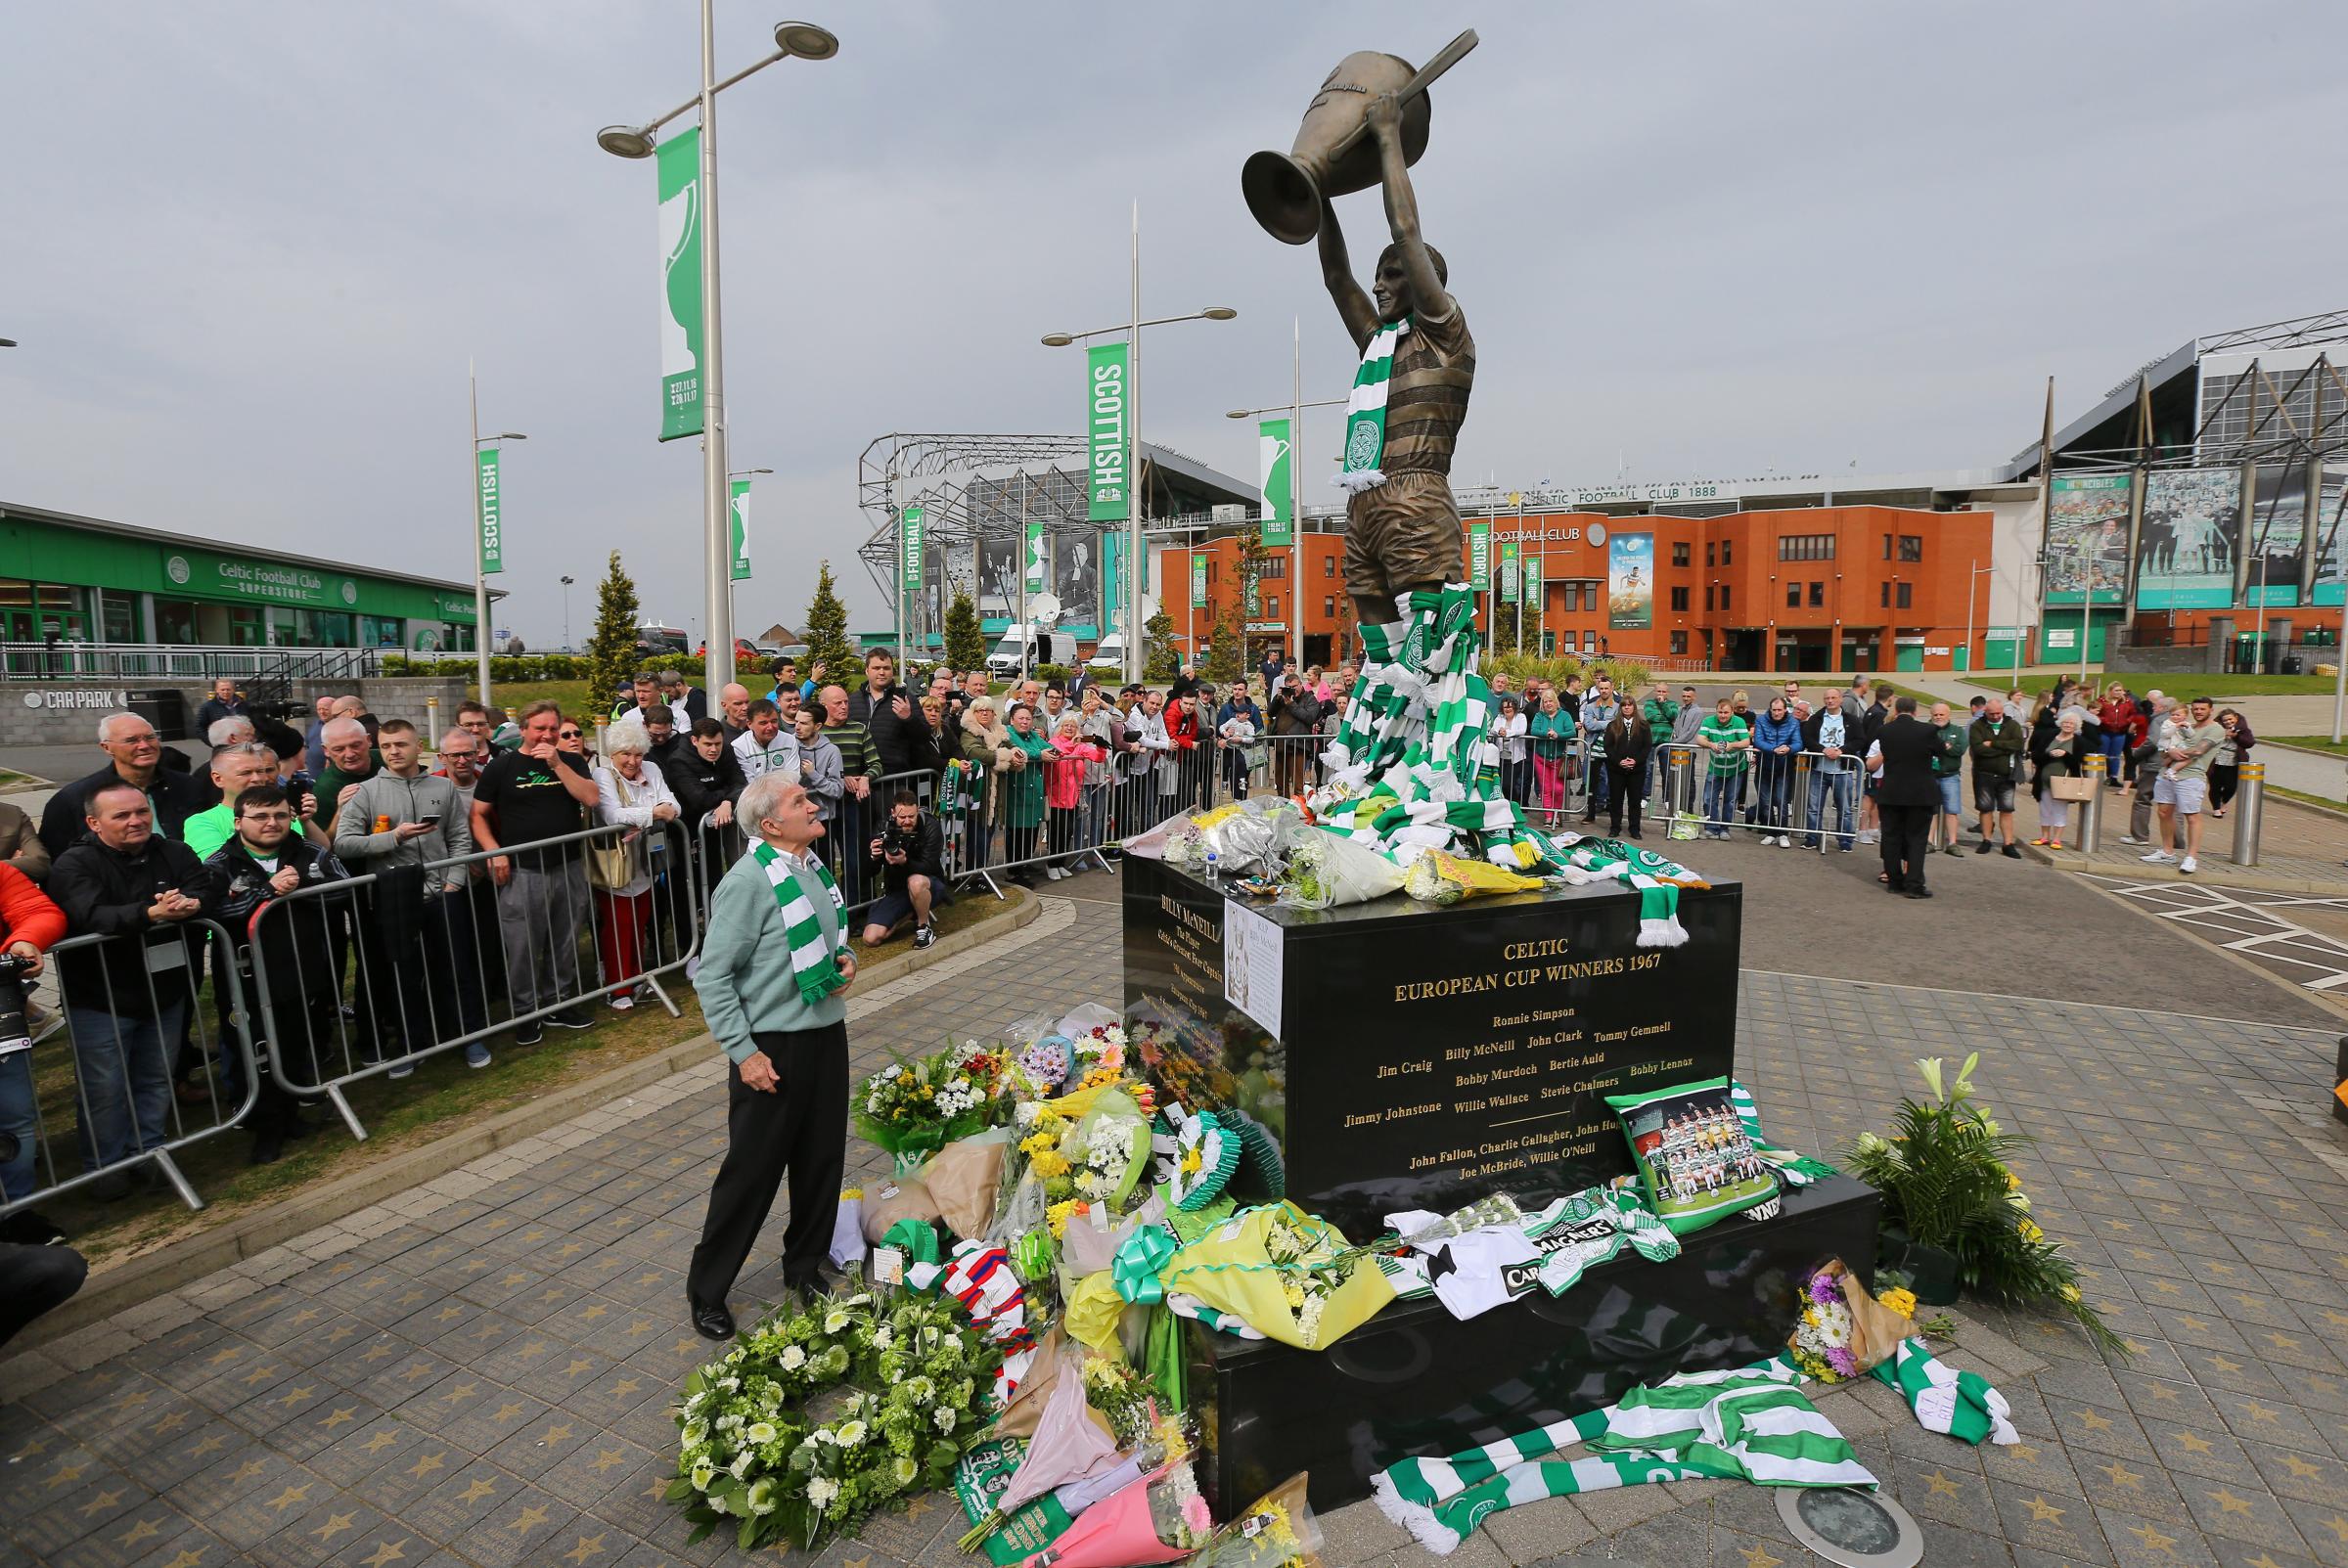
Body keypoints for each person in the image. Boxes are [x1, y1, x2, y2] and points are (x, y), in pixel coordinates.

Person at [687, 775, 856, 1335]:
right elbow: (711, 976)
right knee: (752, 1173)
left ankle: (803, 1267)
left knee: (821, 1161)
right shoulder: (748, 882)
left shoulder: (810, 867)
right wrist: (743, 1053)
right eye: (800, 802)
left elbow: (832, 938)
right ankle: (708, 1290)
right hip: (771, 1049)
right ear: (769, 825)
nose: (813, 806)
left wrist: (845, 960)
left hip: (825, 1036)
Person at [1313, 88, 1474, 635]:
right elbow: (1337, 275)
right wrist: (1317, 190)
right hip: (1364, 501)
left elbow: (1406, 233)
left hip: (1417, 497)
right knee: (1380, 662)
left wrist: (1389, 142)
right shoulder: (1378, 343)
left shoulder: (1445, 335)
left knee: (1427, 650)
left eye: (1394, 274)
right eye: (1379, 276)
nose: (1380, 285)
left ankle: (1445, 720)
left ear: (1424, 282)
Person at [49, 783, 224, 1190]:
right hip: (100, 996)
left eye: (140, 811)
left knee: (157, 1077)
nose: (136, 821)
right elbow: (91, 914)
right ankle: (105, 1170)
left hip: (164, 990)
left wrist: (193, 904)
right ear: (94, 823)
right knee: (104, 1089)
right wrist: (151, 912)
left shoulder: (173, 851)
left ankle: (149, 1154)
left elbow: (204, 884)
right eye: (122, 816)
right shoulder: (73, 864)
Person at [208, 784, 354, 1162]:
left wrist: (299, 888)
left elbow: (344, 890)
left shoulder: (311, 853)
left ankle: (289, 1115)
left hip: (301, 969)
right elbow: (214, 911)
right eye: (260, 817)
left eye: (280, 815)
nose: (272, 823)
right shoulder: (219, 863)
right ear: (239, 822)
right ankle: (263, 1125)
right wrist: (267, 892)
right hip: (245, 977)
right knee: (251, 1050)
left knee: (292, 1044)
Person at [336, 718, 483, 1071]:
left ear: (419, 747)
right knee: (403, 975)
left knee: (456, 968)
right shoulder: (368, 792)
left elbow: (459, 837)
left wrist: (455, 881)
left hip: (443, 893)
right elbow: (343, 843)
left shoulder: (442, 788)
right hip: (395, 897)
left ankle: (468, 1036)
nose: (393, 752)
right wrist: (395, 837)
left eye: (400, 744)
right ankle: (410, 1047)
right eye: (386, 747)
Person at [471, 701, 601, 1045]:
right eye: (539, 728)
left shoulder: (570, 761)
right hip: (523, 871)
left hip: (568, 865)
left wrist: (557, 763)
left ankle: (558, 1002)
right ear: (524, 730)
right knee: (523, 945)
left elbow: (590, 798)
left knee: (566, 939)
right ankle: (526, 1012)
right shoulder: (502, 766)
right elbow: (478, 815)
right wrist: (493, 852)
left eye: (552, 729)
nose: (547, 734)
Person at [591, 716, 682, 1011]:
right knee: (618, 925)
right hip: (616, 862)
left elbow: (673, 804)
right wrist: (654, 812)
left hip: (646, 859)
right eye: (625, 754)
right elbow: (613, 815)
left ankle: (635, 975)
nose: (633, 761)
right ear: (613, 754)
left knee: (640, 918)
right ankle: (618, 987)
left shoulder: (652, 768)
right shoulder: (603, 775)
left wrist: (646, 813)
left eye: (638, 754)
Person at [39, 712, 213, 859]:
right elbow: (58, 863)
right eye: (131, 740)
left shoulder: (188, 786)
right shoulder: (74, 799)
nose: (144, 746)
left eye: (150, 737)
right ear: (107, 748)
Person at [0, 862, 67, 1207]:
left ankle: (19, 1211)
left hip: (3, 1024)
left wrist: (26, 939)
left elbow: (38, 910)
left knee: (17, 1120)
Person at [2142, 696, 2224, 874]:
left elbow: (2199, 751)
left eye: (2202, 709)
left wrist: (2174, 751)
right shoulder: (2187, 727)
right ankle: (2167, 851)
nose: (2198, 712)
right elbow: (2164, 753)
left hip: (2191, 777)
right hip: (2167, 774)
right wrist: (2170, 751)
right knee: (2163, 811)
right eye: (2195, 709)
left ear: (2211, 710)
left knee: (2192, 816)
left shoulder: (2215, 729)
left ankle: (2191, 857)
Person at [1872, 696, 1941, 898]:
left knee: (1892, 837)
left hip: (1892, 791)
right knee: (1917, 839)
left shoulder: (1885, 731)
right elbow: (1939, 751)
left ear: (1896, 710)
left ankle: (1894, 881)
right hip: (1920, 793)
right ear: (1915, 710)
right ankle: (1914, 884)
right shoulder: (1927, 731)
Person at [863, 790, 948, 951]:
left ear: (917, 811)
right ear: (893, 813)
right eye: (902, 817)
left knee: (915, 881)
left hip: (930, 885)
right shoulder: (883, 828)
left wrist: (905, 861)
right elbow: (869, 872)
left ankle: (924, 928)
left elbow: (929, 866)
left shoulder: (930, 826)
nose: (907, 821)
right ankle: (911, 913)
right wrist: (873, 857)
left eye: (912, 816)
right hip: (897, 890)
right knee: (871, 938)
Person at [1967, 696, 2027, 859]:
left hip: (2006, 775)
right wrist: (2004, 748)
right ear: (1985, 711)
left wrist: (1993, 744)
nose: (1995, 716)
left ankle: (2008, 843)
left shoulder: (2012, 725)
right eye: (1991, 713)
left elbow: (2018, 745)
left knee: (2006, 809)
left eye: (1998, 713)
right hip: (1983, 774)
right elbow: (1978, 749)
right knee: (1985, 809)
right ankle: (1986, 840)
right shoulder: (1977, 726)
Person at [848, 650, 920, 780]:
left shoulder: (907, 700)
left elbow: (923, 737)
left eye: (886, 668)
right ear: (867, 671)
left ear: (893, 671)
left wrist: (908, 718)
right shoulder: (852, 700)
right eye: (876, 668)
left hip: (893, 779)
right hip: (857, 780)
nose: (881, 672)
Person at [1800, 695, 1859, 853]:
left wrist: (1843, 751)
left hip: (1842, 771)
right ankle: (1812, 838)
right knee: (1813, 807)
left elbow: (1860, 739)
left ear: (1840, 700)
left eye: (1833, 698)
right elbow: (1807, 738)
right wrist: (1822, 750)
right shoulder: (1816, 719)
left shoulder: (1851, 720)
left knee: (1845, 808)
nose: (1829, 700)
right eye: (1826, 698)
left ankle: (1845, 840)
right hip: (1819, 770)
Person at [998, 703, 1050, 874]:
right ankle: (1015, 870)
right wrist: (1039, 754)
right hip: (1017, 790)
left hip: (1034, 792)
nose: (1025, 722)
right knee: (1017, 832)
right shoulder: (1008, 734)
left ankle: (1026, 862)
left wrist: (1053, 752)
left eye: (1028, 719)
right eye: (1021, 718)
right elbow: (1020, 752)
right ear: (1012, 720)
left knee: (1032, 830)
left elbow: (1048, 747)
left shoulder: (1033, 735)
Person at [310, 717, 382, 838]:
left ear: (369, 740)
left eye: (355, 745)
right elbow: (323, 844)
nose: (349, 754)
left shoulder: (388, 761)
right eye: (339, 749)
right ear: (326, 750)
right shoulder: (324, 789)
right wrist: (340, 812)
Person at [1750, 696, 1801, 847]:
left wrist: (1789, 749)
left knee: (1781, 800)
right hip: (1764, 765)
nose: (1777, 713)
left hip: (1784, 767)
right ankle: (1771, 832)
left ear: (1785, 709)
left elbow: (1798, 742)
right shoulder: (1761, 721)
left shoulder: (1793, 722)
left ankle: (1783, 833)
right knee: (1765, 801)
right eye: (1774, 710)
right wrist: (1773, 749)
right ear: (1770, 709)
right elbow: (1758, 740)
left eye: (1780, 710)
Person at [1695, 697, 1749, 839]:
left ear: (1732, 712)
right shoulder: (1708, 721)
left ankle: (1725, 829)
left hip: (1736, 768)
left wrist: (1732, 745)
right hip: (1716, 767)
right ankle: (1711, 827)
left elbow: (1746, 741)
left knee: (1730, 800)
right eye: (1720, 712)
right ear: (1716, 711)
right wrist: (1712, 745)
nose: (1723, 716)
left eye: (1726, 712)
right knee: (1708, 798)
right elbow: (1700, 739)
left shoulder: (1739, 722)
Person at [1268, 672, 1326, 799]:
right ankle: (1283, 807)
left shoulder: (1310, 699)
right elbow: (1270, 712)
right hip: (1280, 744)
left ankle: (1298, 809)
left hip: (1298, 745)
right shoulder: (1282, 698)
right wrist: (1277, 699)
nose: (1293, 690)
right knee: (1280, 782)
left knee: (1298, 784)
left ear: (1301, 684)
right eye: (1289, 687)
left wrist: (1291, 704)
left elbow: (1309, 718)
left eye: (1295, 686)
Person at [2032, 714, 2084, 851]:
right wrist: (2049, 754)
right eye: (2065, 722)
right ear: (2060, 723)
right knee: (2044, 808)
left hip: (2064, 782)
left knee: (2060, 809)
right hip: (2043, 779)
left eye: (2071, 723)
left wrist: (2065, 755)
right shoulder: (2049, 736)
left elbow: (2077, 763)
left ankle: (2057, 838)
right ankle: (2044, 836)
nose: (2067, 725)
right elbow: (2036, 757)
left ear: (2076, 726)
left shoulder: (2078, 741)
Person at [1603, 703, 1654, 839]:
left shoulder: (1643, 726)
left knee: (1635, 801)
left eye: (1629, 705)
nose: (1627, 708)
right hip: (1616, 770)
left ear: (1634, 708)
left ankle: (1634, 829)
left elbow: (1647, 746)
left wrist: (1635, 761)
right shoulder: (1613, 725)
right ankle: (1615, 827)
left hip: (1637, 770)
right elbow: (1608, 746)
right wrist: (1619, 761)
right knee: (1616, 800)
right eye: (1624, 705)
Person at [1927, 700, 1967, 855]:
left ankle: (1952, 843)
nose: (1938, 717)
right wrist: (1946, 746)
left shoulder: (1958, 731)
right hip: (1930, 776)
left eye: (1941, 714)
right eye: (1935, 714)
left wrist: (1941, 748)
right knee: (1931, 810)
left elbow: (1960, 748)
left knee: (1952, 810)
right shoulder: (1926, 730)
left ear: (1948, 715)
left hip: (1950, 776)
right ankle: (1929, 841)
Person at [1528, 689, 1574, 824]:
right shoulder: (1539, 716)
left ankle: (1556, 813)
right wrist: (1546, 734)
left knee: (1558, 789)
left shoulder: (1565, 715)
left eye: (1551, 701)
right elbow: (1534, 730)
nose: (1548, 704)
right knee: (1546, 788)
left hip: (1558, 757)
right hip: (1541, 757)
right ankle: (1549, 816)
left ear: (1556, 702)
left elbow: (1571, 731)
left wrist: (1558, 735)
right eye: (1545, 701)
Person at [1579, 676, 1620, 824]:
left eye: (1606, 688)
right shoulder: (1590, 707)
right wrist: (1607, 723)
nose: (1603, 691)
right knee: (1592, 784)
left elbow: (1617, 727)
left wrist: (1599, 723)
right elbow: (1589, 726)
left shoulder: (1618, 707)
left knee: (1614, 783)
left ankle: (1614, 816)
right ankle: (1590, 814)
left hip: (1611, 750)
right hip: (1594, 749)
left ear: (1611, 688)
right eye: (1601, 688)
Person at [731, 697, 797, 783]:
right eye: (763, 723)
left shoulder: (789, 741)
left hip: (786, 793)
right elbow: (749, 784)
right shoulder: (739, 747)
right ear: (749, 724)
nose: (770, 727)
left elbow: (793, 777)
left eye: (774, 721)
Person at [1216, 683, 1261, 803]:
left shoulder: (1253, 708)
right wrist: (1225, 733)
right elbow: (1219, 726)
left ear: (1246, 691)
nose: (1237, 692)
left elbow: (1258, 729)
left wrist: (1242, 736)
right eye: (1235, 689)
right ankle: (1230, 795)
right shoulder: (1226, 708)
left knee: (1241, 776)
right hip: (1229, 748)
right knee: (1228, 771)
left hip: (1246, 750)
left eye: (1240, 689)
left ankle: (1241, 802)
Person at [2209, 707, 2256, 819]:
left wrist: (2236, 737)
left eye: (2230, 719)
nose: (2228, 722)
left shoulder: (2243, 730)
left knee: (2231, 786)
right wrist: (2221, 736)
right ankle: (2216, 809)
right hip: (2216, 761)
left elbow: (2249, 743)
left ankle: (2223, 802)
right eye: (2225, 720)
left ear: (2236, 718)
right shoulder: (2216, 728)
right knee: (2215, 786)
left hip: (2234, 762)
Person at [1494, 694, 1530, 805]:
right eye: (1505, 707)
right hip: (1500, 757)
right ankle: (1507, 804)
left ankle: (1515, 802)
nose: (1508, 709)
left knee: (1508, 784)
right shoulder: (1499, 717)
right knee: (1500, 783)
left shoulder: (1521, 717)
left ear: (1514, 707)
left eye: (1510, 707)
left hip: (1515, 758)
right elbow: (1493, 729)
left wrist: (1508, 733)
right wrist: (1499, 732)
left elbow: (1522, 731)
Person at [301, 694, 339, 775]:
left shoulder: (340, 725)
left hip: (331, 773)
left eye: (325, 709)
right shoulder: (315, 725)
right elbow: (307, 745)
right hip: (313, 773)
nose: (322, 712)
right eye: (319, 709)